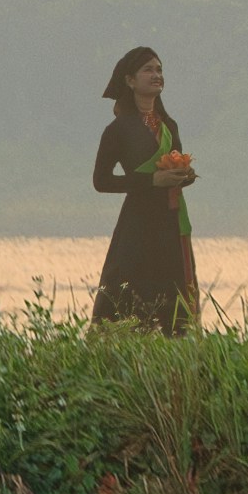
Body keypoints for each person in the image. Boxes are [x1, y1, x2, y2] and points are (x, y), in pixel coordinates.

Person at [91, 47, 201, 333]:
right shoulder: (117, 130)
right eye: (149, 70)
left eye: (160, 70)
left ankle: (177, 342)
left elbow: (175, 173)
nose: (157, 75)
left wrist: (183, 175)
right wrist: (152, 181)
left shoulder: (169, 125)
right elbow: (101, 181)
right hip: (138, 224)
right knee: (129, 287)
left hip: (170, 220)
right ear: (130, 81)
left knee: (174, 288)